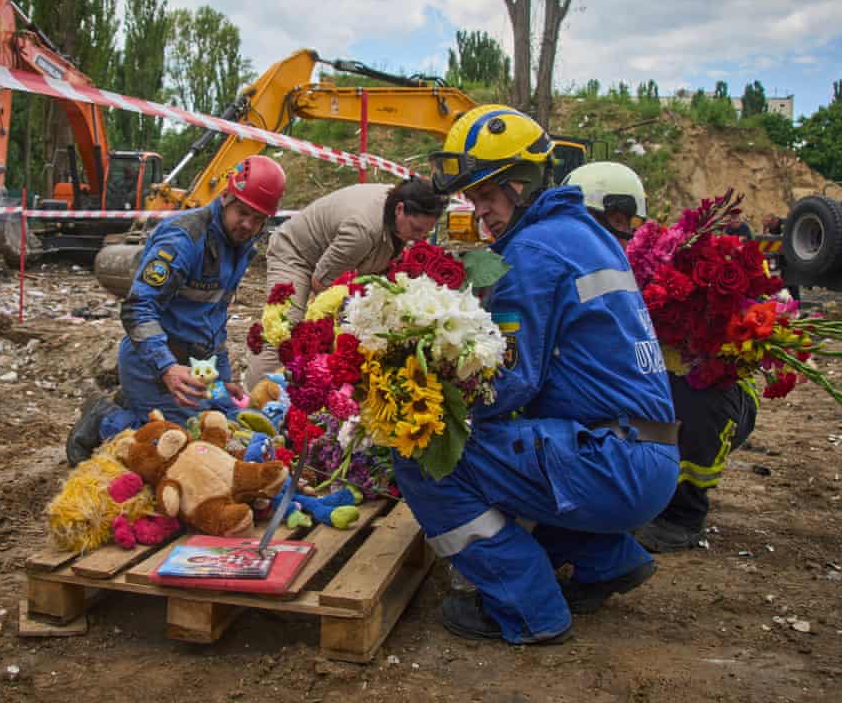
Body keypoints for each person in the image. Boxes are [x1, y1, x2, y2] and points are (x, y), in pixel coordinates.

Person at [393, 104, 681, 645]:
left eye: (485, 196)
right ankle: (606, 562)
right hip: (644, 454)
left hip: (610, 462)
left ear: (520, 184)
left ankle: (527, 608)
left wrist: (426, 403)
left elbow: (509, 381)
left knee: (425, 456)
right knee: (520, 452)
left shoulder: (532, 251)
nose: (481, 213)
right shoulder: (583, 233)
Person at [565, 162, 758, 553]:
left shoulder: (671, 264)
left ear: (620, 216)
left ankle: (683, 513)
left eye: (586, 220)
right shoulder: (578, 262)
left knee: (690, 392)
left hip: (706, 395)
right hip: (639, 391)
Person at [65, 155, 287, 466]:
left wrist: (221, 380)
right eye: (243, 212)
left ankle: (136, 405)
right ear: (226, 196)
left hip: (198, 367)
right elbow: (138, 309)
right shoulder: (184, 238)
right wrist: (167, 368)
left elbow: (214, 316)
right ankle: (105, 420)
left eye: (258, 218)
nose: (248, 224)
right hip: (155, 364)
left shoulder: (239, 248)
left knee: (233, 427)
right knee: (177, 450)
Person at [243, 179, 446, 388]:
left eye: (425, 232)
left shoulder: (400, 210)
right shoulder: (362, 230)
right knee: (282, 331)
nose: (418, 238)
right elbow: (323, 283)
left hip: (333, 256)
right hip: (296, 254)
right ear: (400, 209)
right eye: (415, 229)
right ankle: (254, 402)